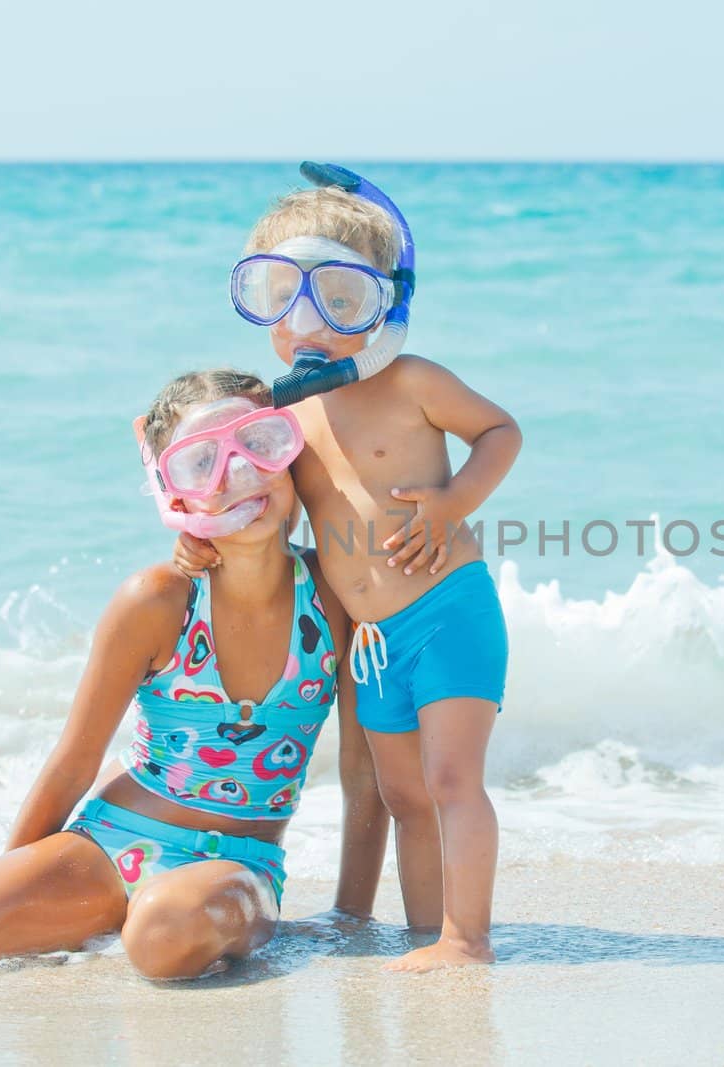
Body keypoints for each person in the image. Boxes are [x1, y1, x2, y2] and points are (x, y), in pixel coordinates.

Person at [0, 370, 388, 977]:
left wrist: (353, 915)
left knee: (164, 934)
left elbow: (362, 768)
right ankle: (107, 920)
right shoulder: (157, 600)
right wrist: (13, 884)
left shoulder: (333, 595)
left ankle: (146, 923)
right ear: (173, 491)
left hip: (235, 870)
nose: (239, 472)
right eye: (202, 463)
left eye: (259, 443)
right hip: (109, 841)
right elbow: (73, 762)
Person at [176, 170, 521, 971]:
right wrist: (198, 541)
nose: (311, 324)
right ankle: (426, 933)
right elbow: (267, 514)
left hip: (447, 610)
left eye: (340, 298)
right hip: (372, 639)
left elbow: (502, 431)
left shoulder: (413, 382)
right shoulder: (283, 415)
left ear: (383, 306)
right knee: (403, 796)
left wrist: (453, 501)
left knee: (449, 779)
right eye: (281, 296)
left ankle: (468, 939)